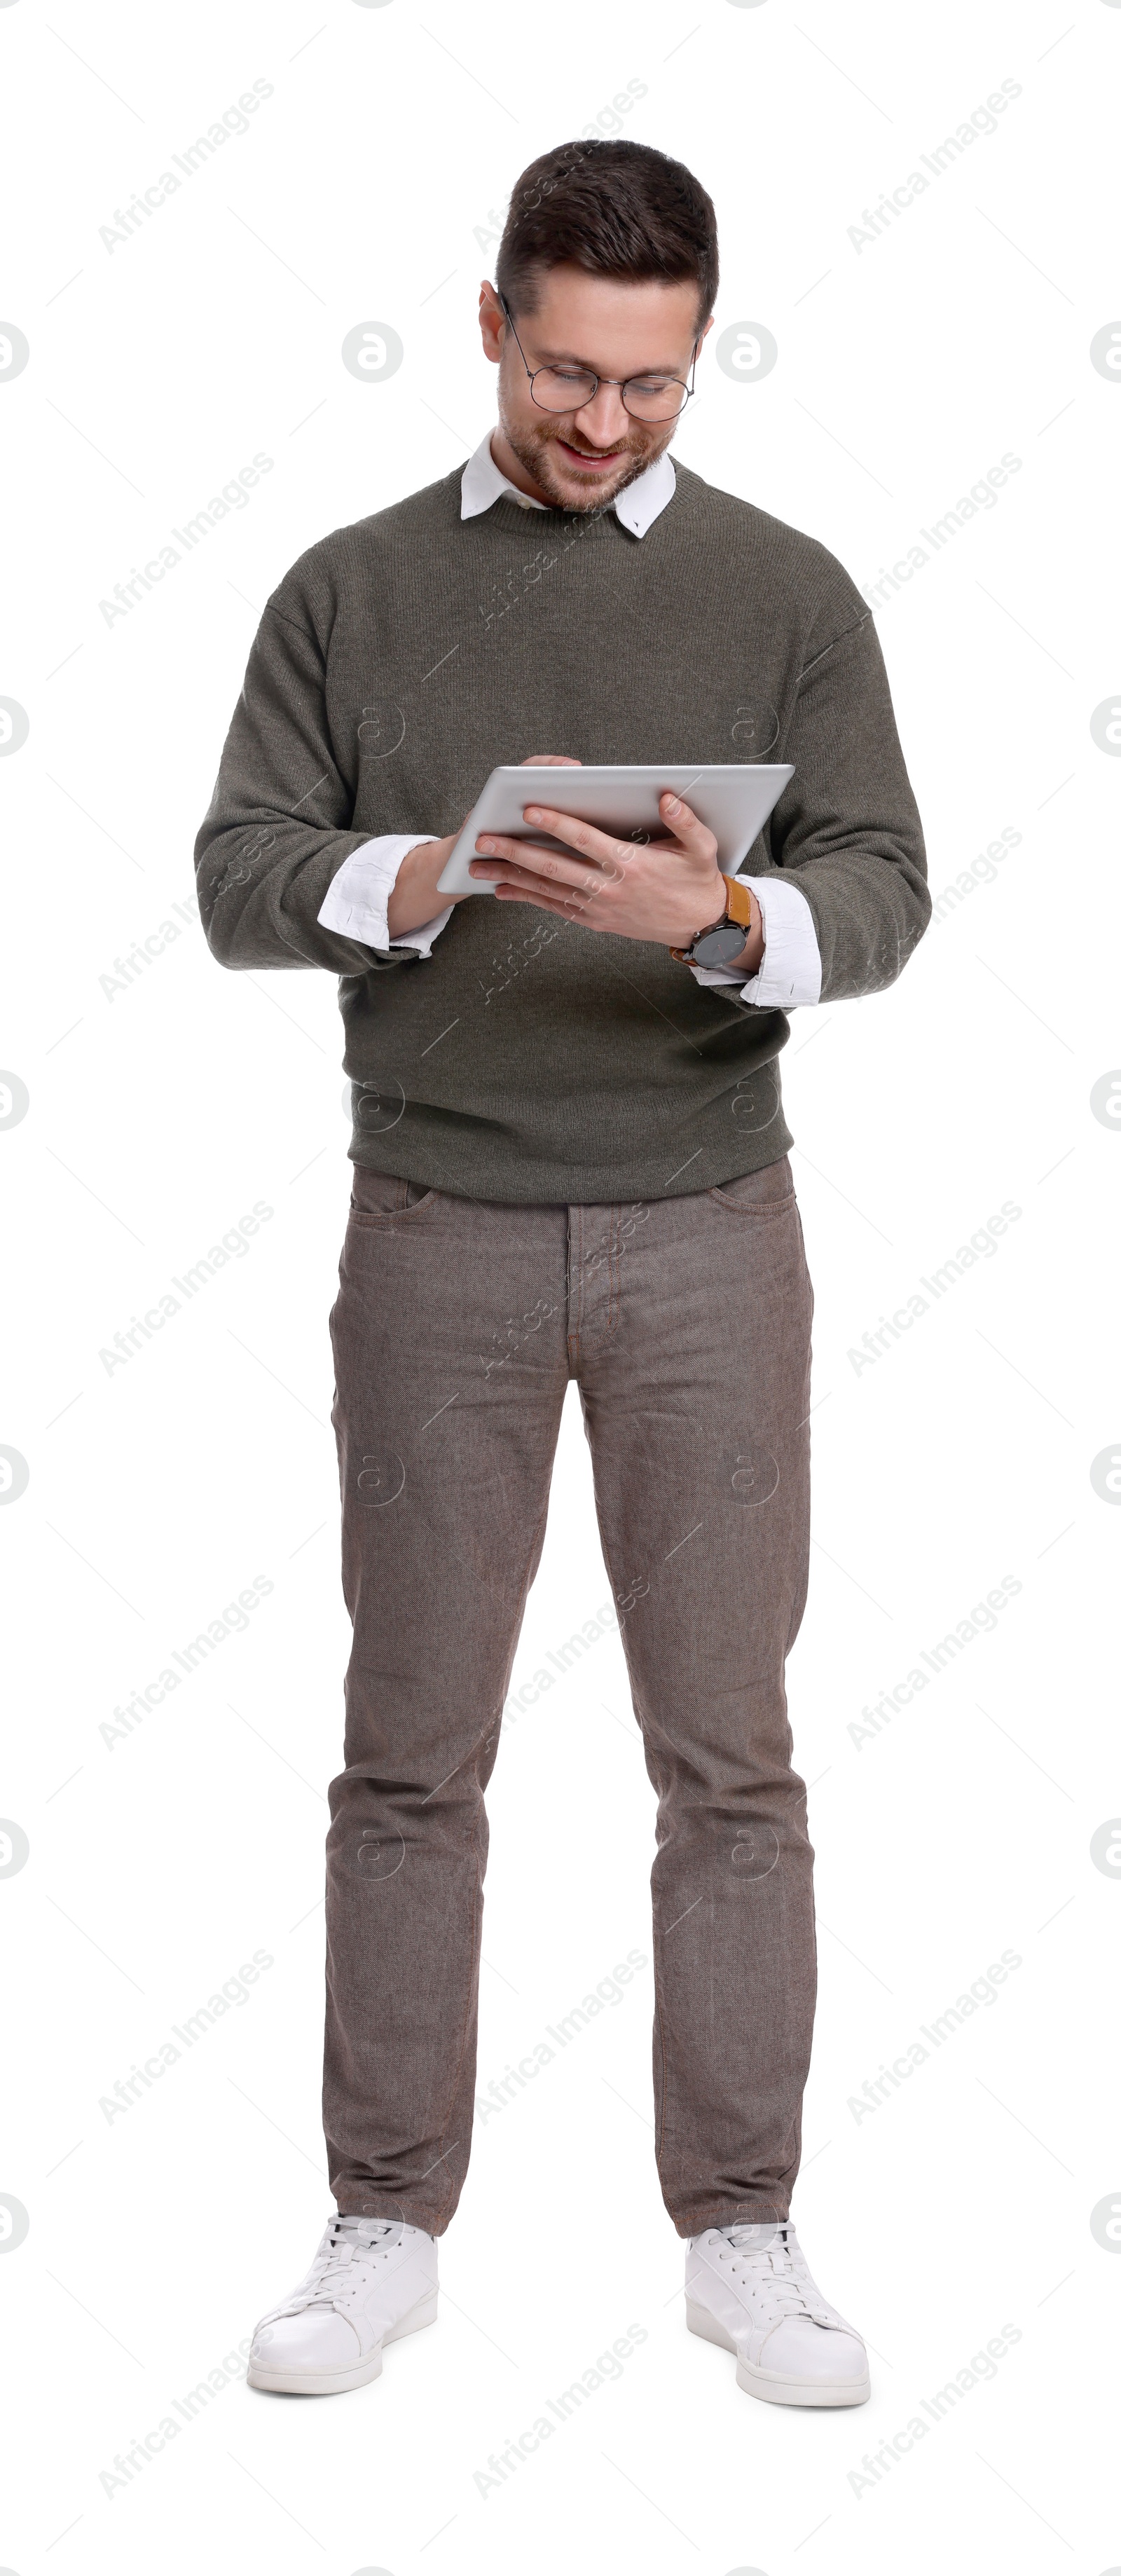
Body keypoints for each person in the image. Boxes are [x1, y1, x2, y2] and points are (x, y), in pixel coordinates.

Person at [195, 135, 928, 2411]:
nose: (606, 422)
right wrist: (423, 870)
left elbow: (887, 889)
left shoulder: (795, 590)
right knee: (409, 1752)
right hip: (433, 1233)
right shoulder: (344, 589)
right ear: (494, 312)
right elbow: (236, 871)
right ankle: (386, 2215)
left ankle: (745, 2228)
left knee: (734, 1757)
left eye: (659, 385)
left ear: (700, 357)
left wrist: (716, 921)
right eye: (571, 368)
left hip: (716, 1232)